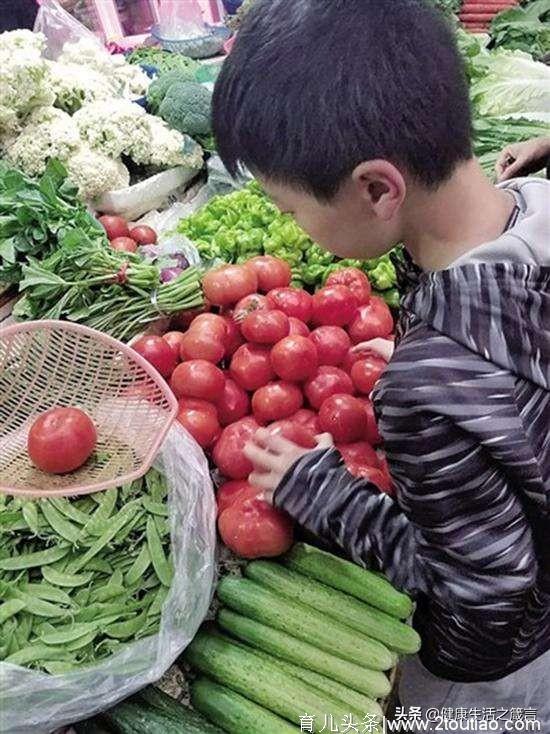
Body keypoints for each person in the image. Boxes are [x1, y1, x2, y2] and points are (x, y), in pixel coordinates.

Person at [212, 0, 550, 731]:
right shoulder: (535, 207)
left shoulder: (428, 390)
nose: (289, 226)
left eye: (291, 207)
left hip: (503, 667)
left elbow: (482, 600)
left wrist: (320, 492)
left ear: (375, 189)